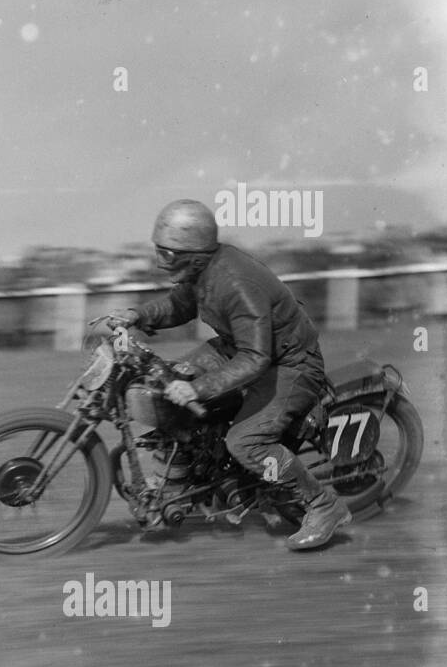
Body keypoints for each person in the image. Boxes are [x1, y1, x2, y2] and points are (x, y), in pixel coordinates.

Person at [107, 199, 350, 551]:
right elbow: (180, 305)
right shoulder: (202, 272)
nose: (161, 262)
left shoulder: (236, 283)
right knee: (168, 382)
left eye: (169, 254)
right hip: (239, 349)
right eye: (159, 251)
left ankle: (323, 506)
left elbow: (256, 357)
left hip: (289, 364)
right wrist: (137, 316)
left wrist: (199, 389)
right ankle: (190, 479)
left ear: (194, 253)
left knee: (246, 442)